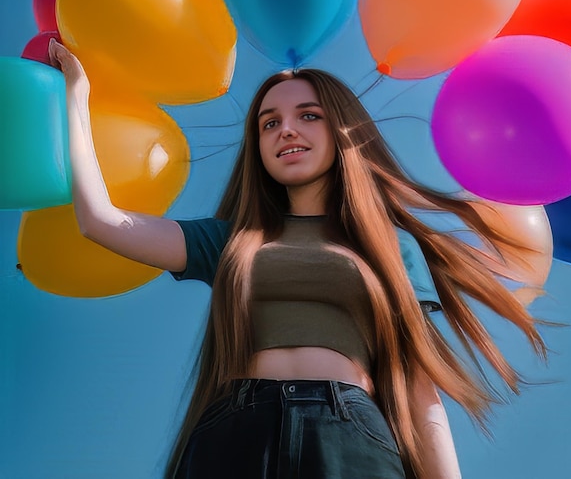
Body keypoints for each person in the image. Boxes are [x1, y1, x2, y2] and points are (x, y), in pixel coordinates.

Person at [48, 38, 545, 479]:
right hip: (234, 432)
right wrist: (78, 94)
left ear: (343, 131)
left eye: (309, 115)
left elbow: (420, 392)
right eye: (270, 123)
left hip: (350, 434)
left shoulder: (393, 247)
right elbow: (100, 222)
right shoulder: (229, 241)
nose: (286, 130)